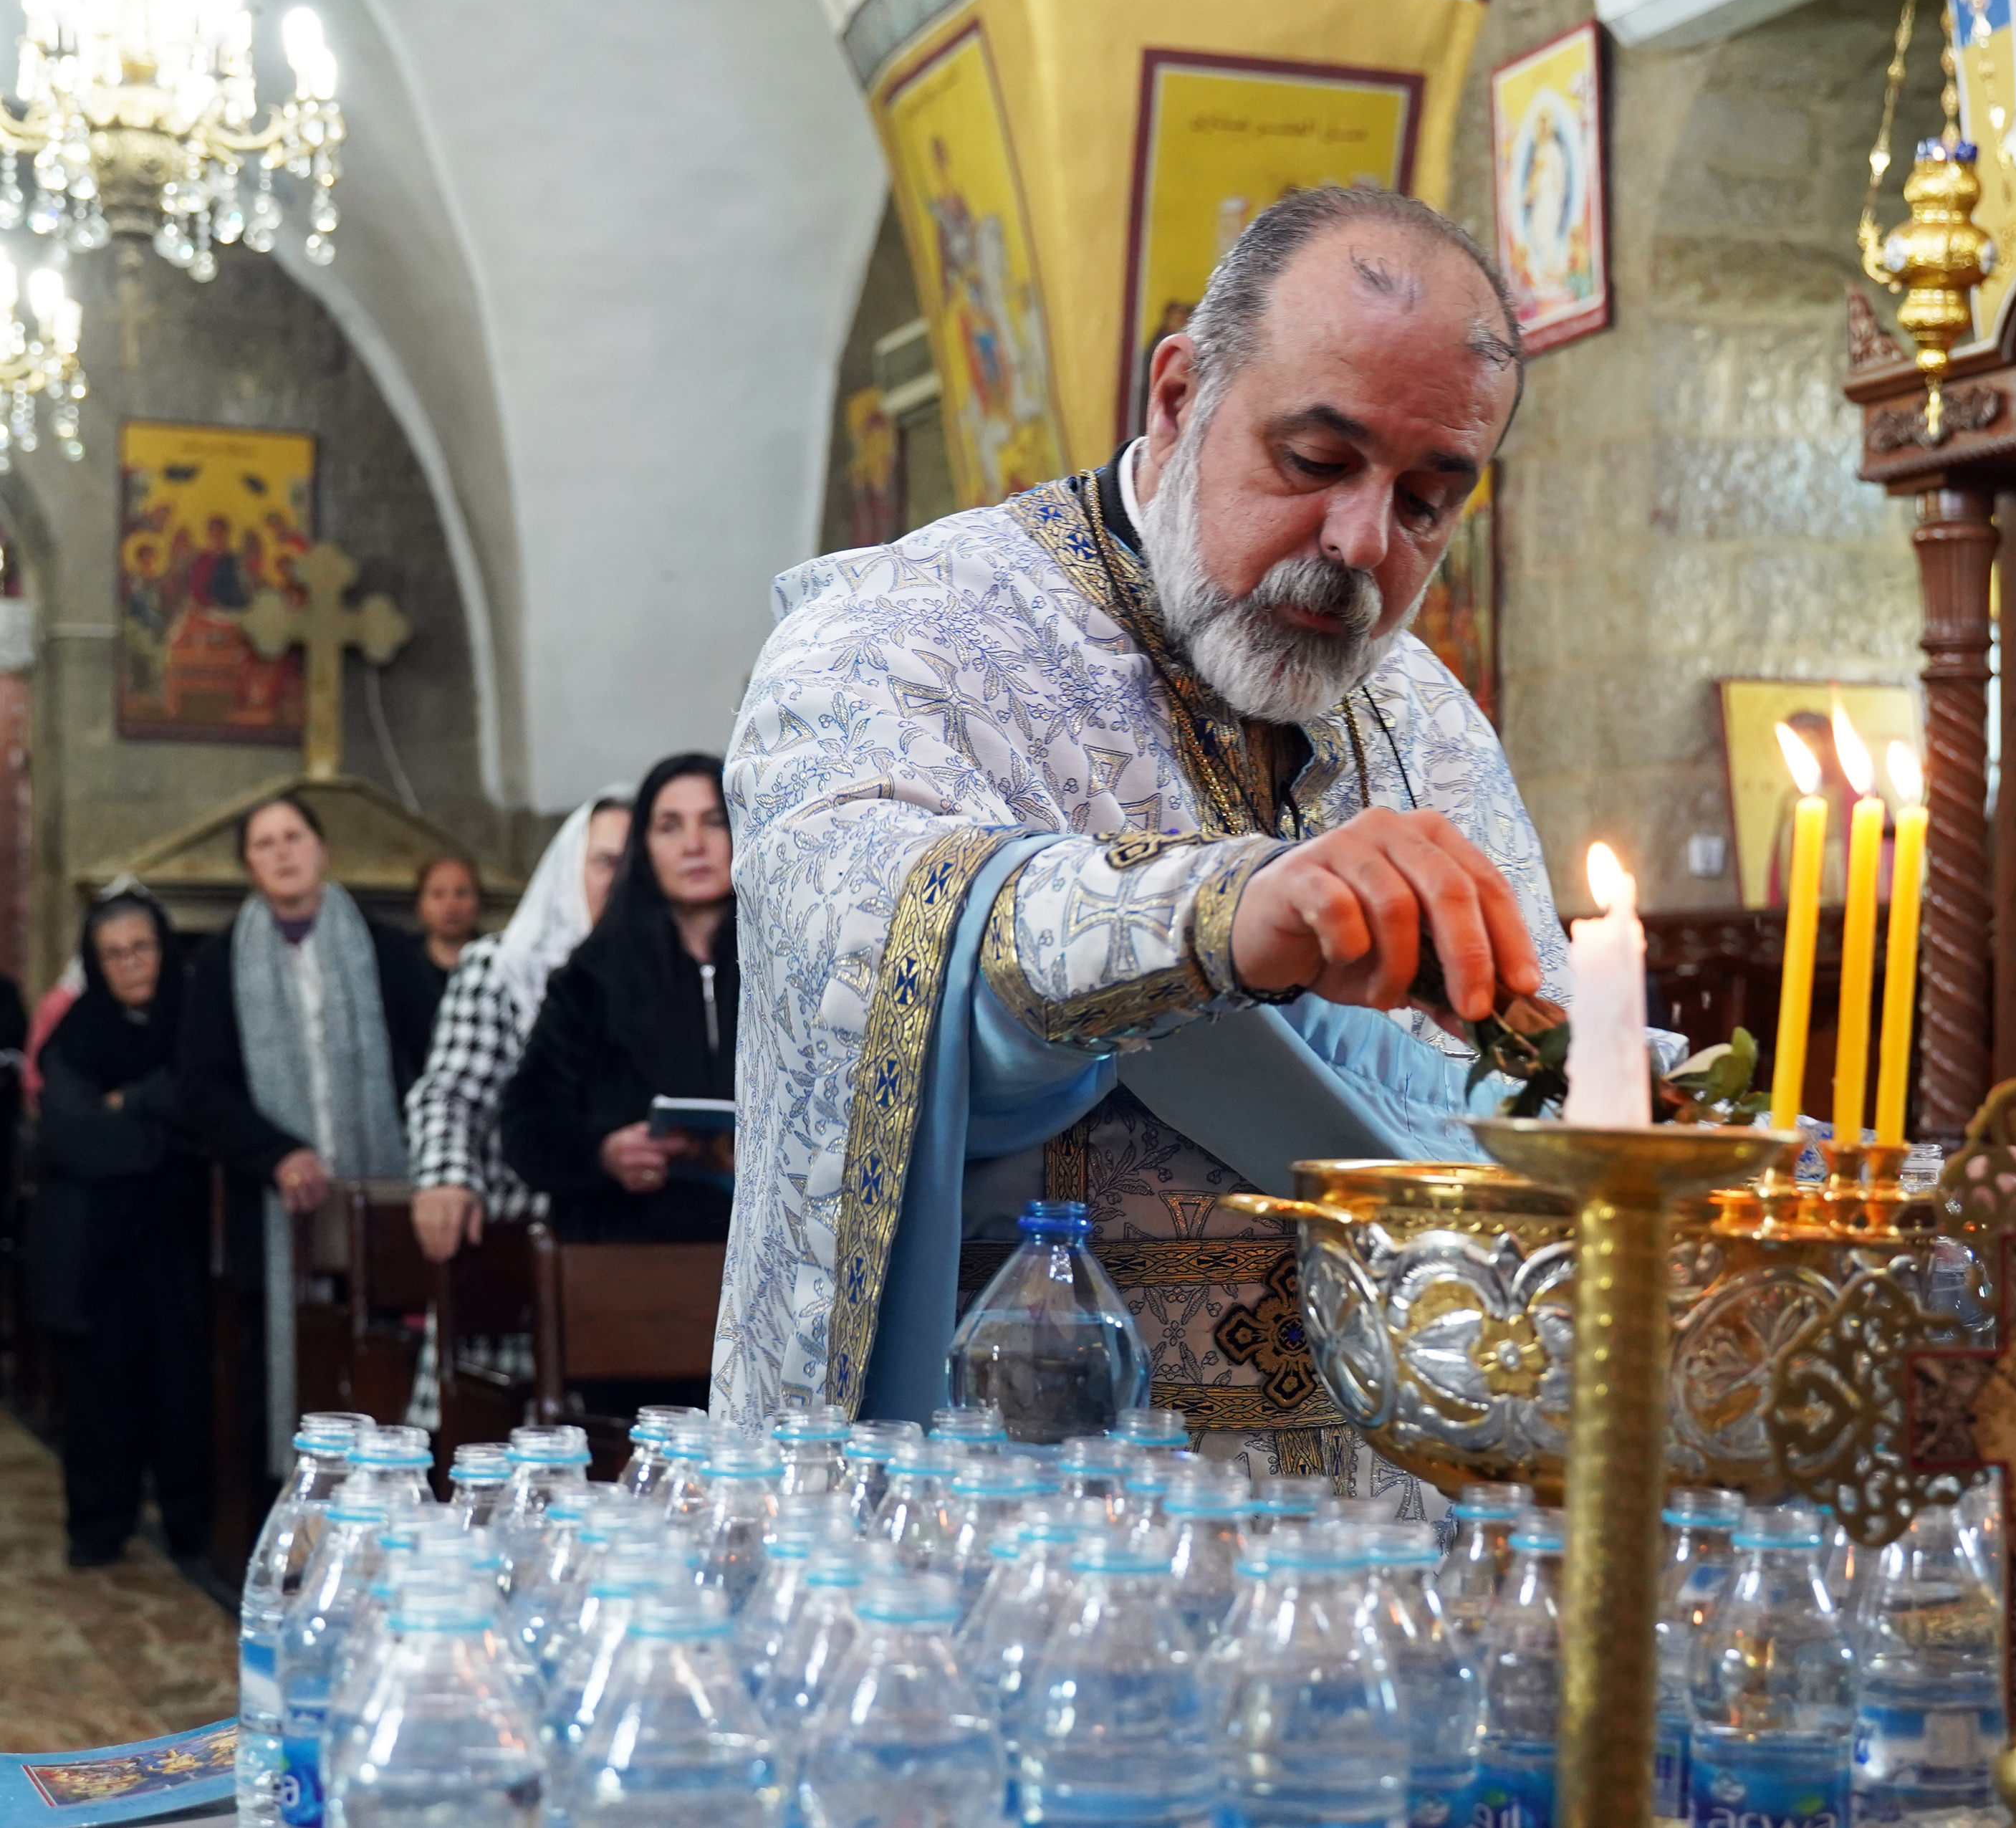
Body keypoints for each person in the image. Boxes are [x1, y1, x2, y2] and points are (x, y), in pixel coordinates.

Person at [714, 186, 1568, 1502]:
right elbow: (858, 925)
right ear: (1178, 395)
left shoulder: (1421, 714)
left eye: (1427, 501)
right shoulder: (908, 634)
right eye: (1318, 460)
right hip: (1026, 1547)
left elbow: (1532, 1084)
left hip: (1381, 1556)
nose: (1361, 545)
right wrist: (1224, 913)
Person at [180, 794, 440, 1479]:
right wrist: (279, 1155)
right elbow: (201, 1088)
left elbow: (436, 1060)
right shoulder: (217, 962)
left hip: (382, 1194)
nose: (283, 853)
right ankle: (290, 1514)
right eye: (264, 844)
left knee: (381, 1353)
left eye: (294, 836)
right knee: (283, 1360)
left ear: (321, 849)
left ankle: (389, 1493)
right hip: (273, 1208)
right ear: (248, 866)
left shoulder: (385, 948)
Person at [32, 894, 207, 1566]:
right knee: (99, 1393)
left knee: (180, 1388)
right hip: (92, 1249)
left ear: (165, 949)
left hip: (176, 1241)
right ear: (95, 963)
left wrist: (132, 1107)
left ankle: (190, 1528)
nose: (132, 963)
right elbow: (71, 1136)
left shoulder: (193, 1023)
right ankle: (99, 1525)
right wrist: (161, 1140)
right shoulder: (75, 1034)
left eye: (143, 947)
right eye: (115, 953)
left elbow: (202, 1100)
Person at [501, 757, 737, 1243]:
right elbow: (527, 1126)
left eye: (715, 821)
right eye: (670, 826)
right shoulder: (592, 974)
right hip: (627, 1255)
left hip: (764, 1257)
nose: (694, 844)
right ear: (644, 849)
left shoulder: (790, 966)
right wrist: (604, 1151)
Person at [405, 797, 631, 1263]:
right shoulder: (503, 965)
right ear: (570, 869)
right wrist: (445, 1177)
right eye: (605, 861)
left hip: (635, 1238)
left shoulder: (671, 976)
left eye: (634, 863)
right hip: (517, 1234)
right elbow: (451, 1094)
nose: (620, 878)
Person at [412, 854, 484, 976]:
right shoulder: (400, 962)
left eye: (461, 893)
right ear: (420, 904)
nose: (451, 906)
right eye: (438, 894)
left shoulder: (497, 961)